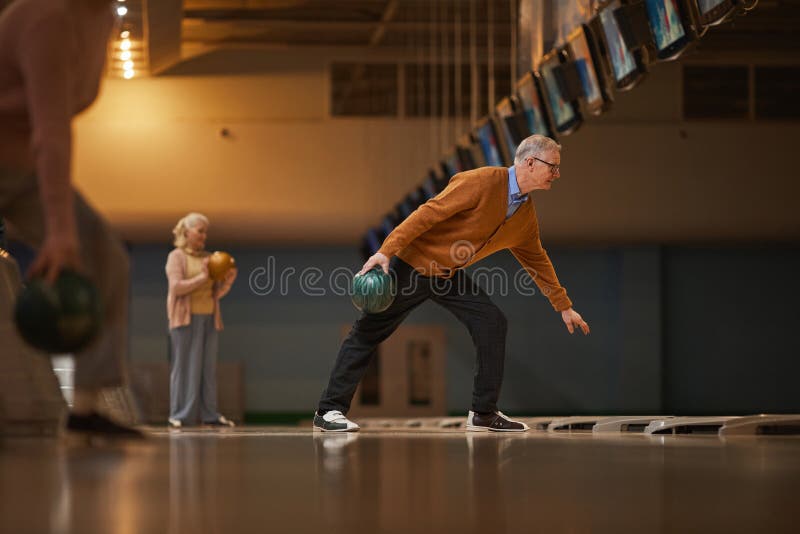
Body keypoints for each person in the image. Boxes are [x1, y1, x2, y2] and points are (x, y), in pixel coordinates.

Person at [315, 134, 590, 433]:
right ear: (531, 162)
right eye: (554, 167)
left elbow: (536, 259)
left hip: (448, 275)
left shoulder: (525, 213)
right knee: (368, 331)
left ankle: (483, 413)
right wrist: (386, 251)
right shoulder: (482, 181)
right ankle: (329, 411)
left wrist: (563, 306)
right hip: (415, 265)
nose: (557, 174)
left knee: (492, 322)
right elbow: (427, 213)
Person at [0, 0, 143, 438]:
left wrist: (69, 232)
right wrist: (60, 231)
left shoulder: (98, 20)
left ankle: (85, 408)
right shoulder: (46, 17)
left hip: (20, 171)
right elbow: (51, 131)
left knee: (105, 259)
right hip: (25, 157)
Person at [166, 213, 237, 428]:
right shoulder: (176, 257)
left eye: (205, 232)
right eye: (200, 231)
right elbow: (176, 287)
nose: (204, 236)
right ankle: (179, 414)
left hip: (209, 318)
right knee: (185, 366)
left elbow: (215, 293)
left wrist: (227, 281)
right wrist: (203, 277)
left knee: (207, 368)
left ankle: (210, 414)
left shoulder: (208, 258)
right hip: (184, 320)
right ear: (186, 232)